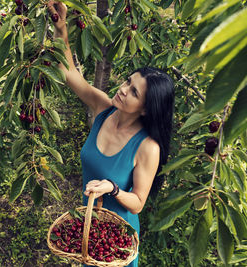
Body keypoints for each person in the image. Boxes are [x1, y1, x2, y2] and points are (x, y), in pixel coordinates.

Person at [47, 2, 175, 266]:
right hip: (90, 230)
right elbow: (69, 73)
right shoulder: (103, 107)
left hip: (117, 240)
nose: (124, 89)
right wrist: (61, 28)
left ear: (146, 110)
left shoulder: (147, 147)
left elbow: (138, 203)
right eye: (128, 81)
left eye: (134, 92)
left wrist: (113, 188)